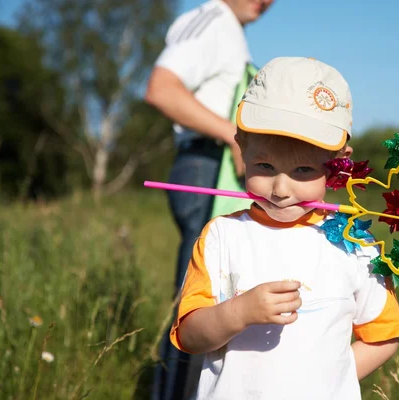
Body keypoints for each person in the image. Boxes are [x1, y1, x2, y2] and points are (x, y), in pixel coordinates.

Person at [170, 57, 399, 400]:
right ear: (241, 146)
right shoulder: (222, 237)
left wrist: (329, 384)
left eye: (302, 170)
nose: (281, 189)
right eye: (264, 165)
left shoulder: (354, 243)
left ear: (340, 163)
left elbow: (384, 336)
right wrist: (239, 312)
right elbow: (190, 336)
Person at [144, 1, 273, 399]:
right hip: (206, 166)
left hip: (221, 166)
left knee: (219, 298)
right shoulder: (214, 19)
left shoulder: (231, 30)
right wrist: (230, 134)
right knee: (197, 304)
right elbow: (161, 89)